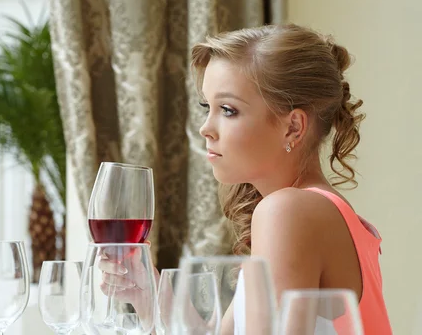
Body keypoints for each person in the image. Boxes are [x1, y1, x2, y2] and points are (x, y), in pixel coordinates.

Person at [100, 23, 392, 334]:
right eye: (206, 107)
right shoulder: (311, 209)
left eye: (227, 110)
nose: (205, 128)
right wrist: (148, 294)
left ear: (293, 127)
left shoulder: (288, 211)